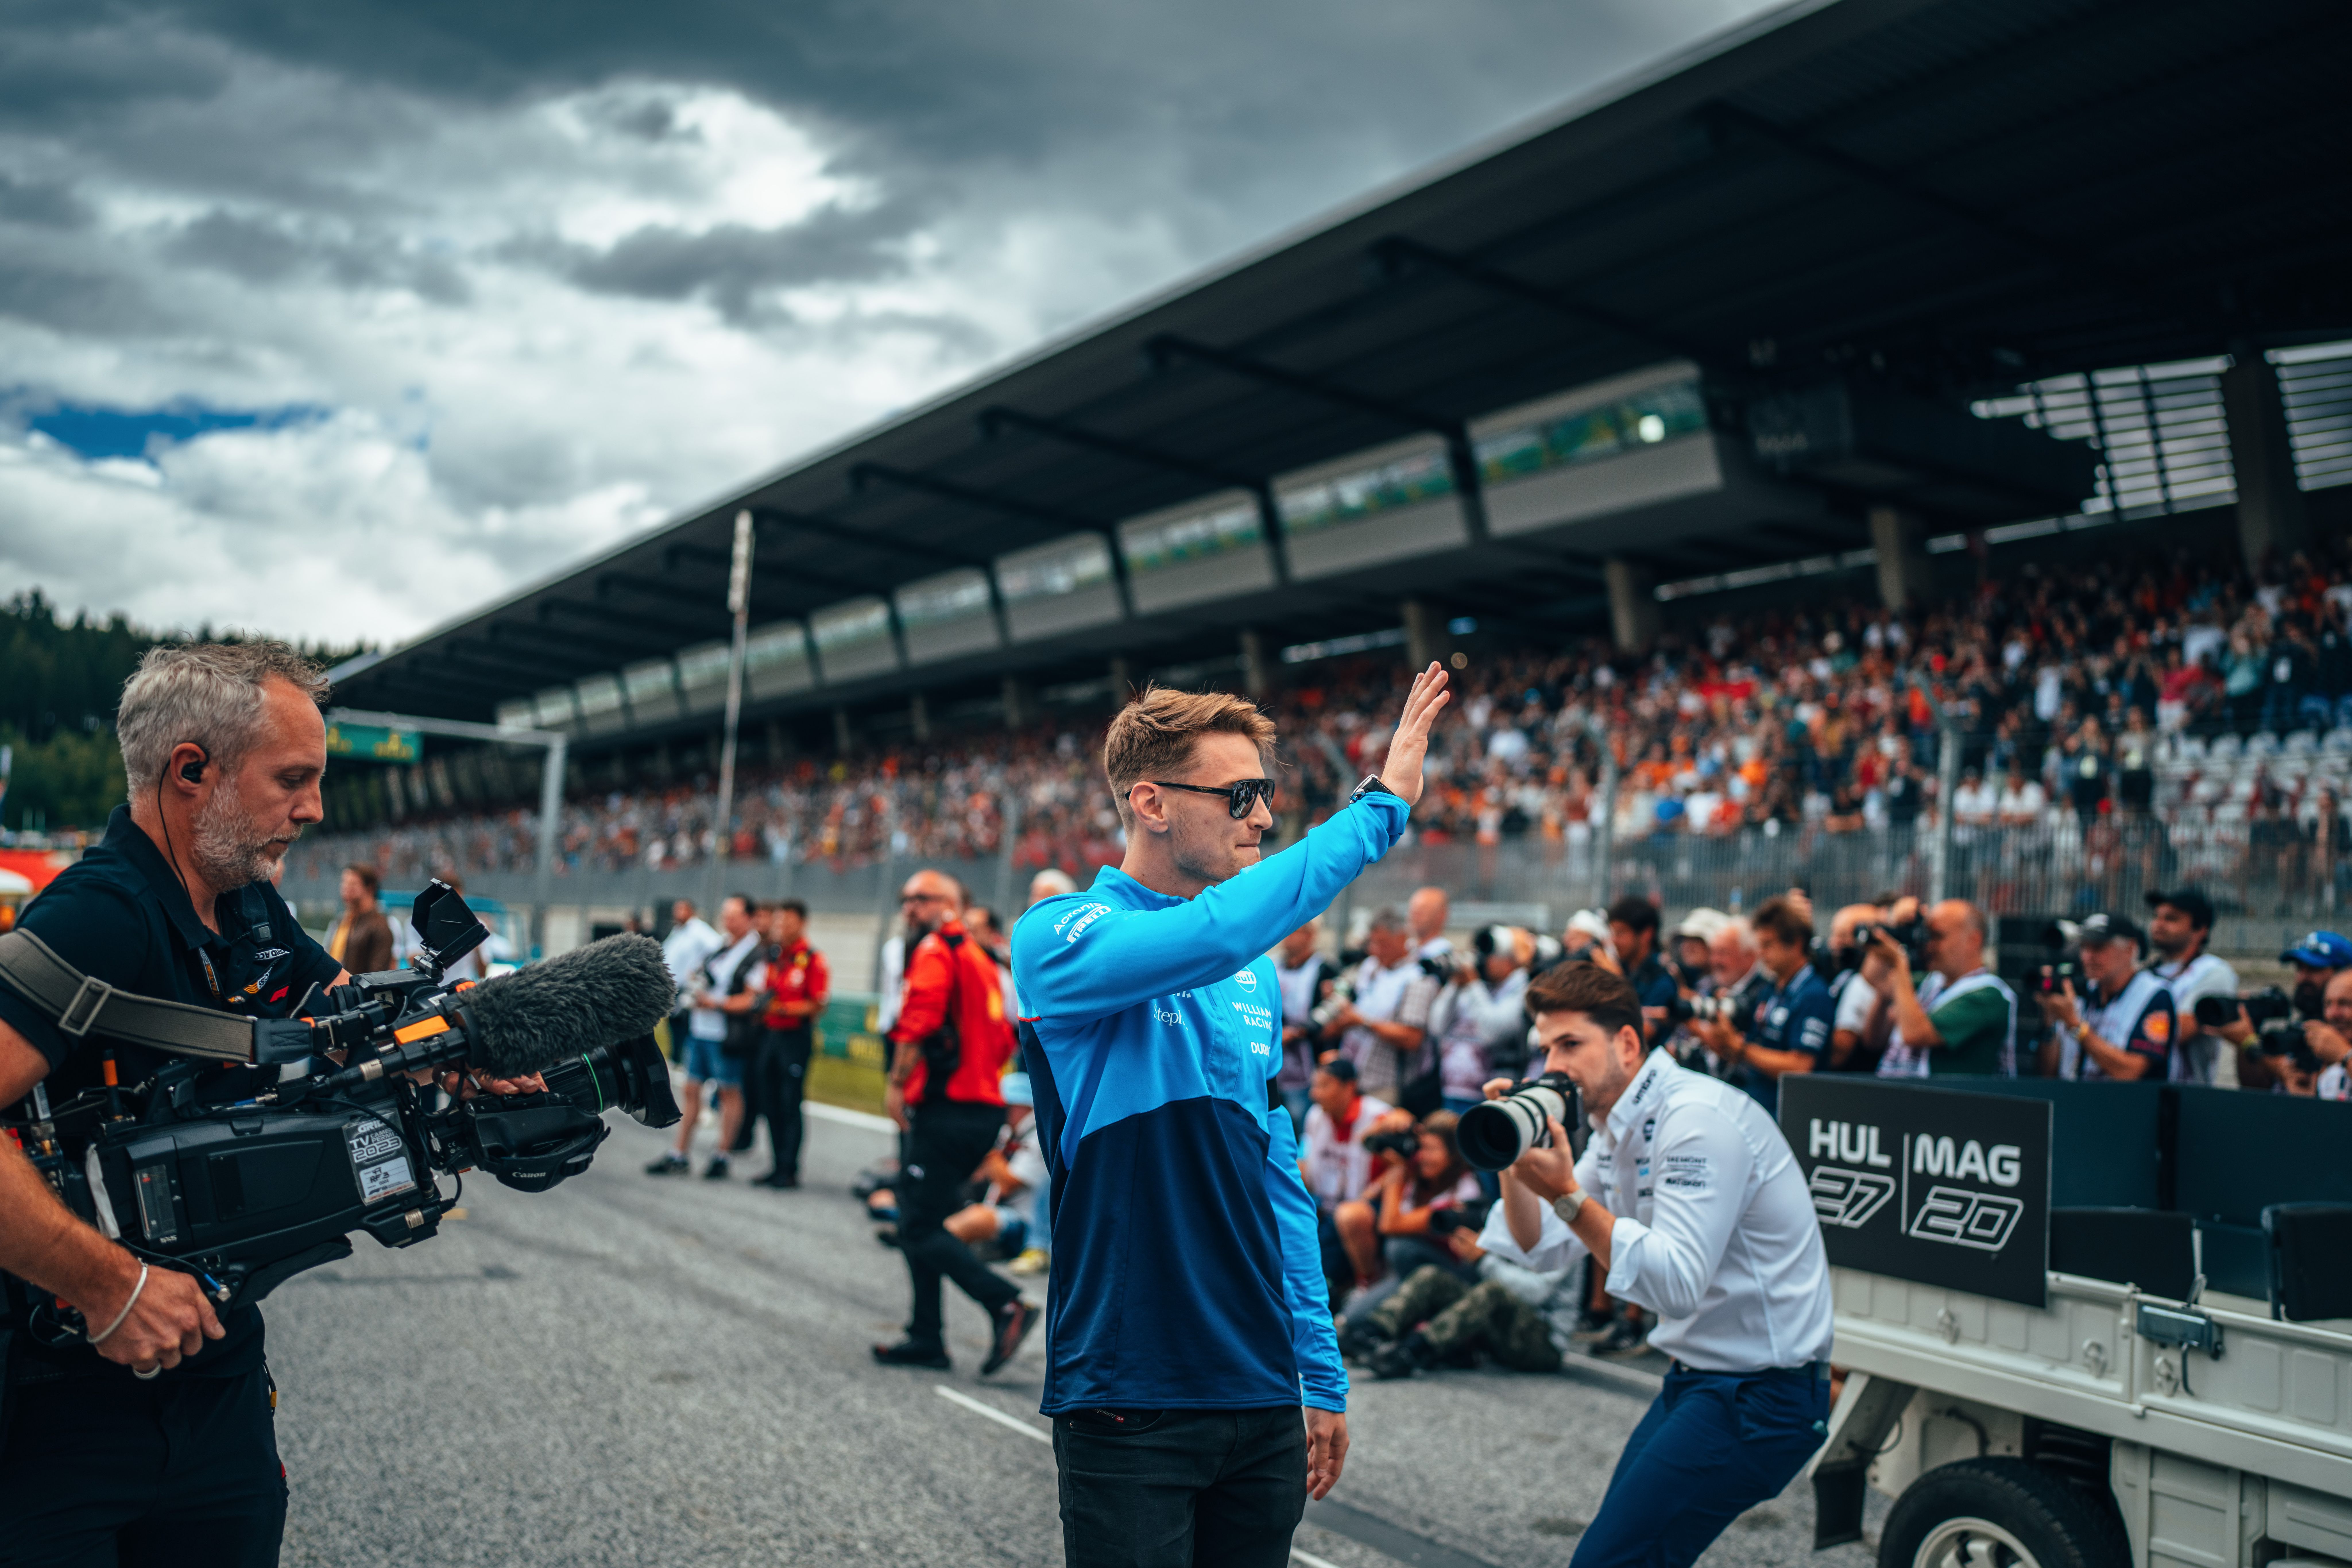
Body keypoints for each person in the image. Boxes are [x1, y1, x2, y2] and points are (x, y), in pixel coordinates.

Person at [0, 643, 535, 1565]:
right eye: (293, 778)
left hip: (218, 1386)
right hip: (56, 1406)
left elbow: (354, 1031)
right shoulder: (98, 913)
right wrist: (109, 1285)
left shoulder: (250, 909)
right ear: (192, 772)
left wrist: (459, 1064)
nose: (315, 809)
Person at [1011, 666, 1451, 1567]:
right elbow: (1212, 932)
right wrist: (1377, 808)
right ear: (1151, 801)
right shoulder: (1061, 933)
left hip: (1257, 1387)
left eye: (1269, 795)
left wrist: (1318, 1370)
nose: (1262, 816)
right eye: (1241, 794)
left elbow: (1276, 1180)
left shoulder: (1252, 972)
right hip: (1133, 1384)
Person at [1477, 961, 1834, 1568]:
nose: (1553, 1067)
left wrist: (1566, 1193)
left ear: (1626, 1042)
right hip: (1700, 1378)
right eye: (1545, 1049)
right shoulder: (1614, 1125)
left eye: (1571, 1045)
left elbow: (1675, 1286)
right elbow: (1538, 1248)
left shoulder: (1693, 1120)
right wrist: (1512, 1159)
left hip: (1762, 1395)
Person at [871, 868, 1035, 1375]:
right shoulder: (985, 961)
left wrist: (898, 1082)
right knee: (927, 1218)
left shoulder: (937, 950)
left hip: (948, 1109)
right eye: (905, 899)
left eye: (919, 899)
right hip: (978, 1108)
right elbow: (1007, 1035)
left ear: (949, 903)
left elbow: (917, 1019)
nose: (909, 909)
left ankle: (1005, 1302)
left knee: (915, 1226)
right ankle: (926, 1336)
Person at [645, 893, 762, 1179]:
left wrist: (717, 1003)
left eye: (734, 915)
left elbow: (754, 999)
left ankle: (722, 1154)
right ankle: (679, 1153)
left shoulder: (756, 952)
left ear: (749, 918)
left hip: (727, 1034)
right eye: (726, 914)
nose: (728, 920)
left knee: (728, 1091)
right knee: (691, 1090)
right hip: (700, 1029)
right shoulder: (721, 945)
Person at [1697, 896, 1834, 1114]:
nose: (1761, 953)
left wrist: (1740, 1048)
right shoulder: (1770, 990)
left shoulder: (1813, 994)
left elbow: (1800, 1067)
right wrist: (1722, 1036)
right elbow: (1745, 1048)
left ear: (1797, 943)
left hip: (1790, 1114)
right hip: (1755, 1103)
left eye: (1769, 944)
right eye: (1760, 945)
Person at [1864, 898, 2018, 1078]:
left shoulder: (1989, 995)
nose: (1929, 945)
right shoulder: (1932, 982)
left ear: (1973, 941)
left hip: (1950, 1102)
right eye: (1928, 936)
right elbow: (1875, 977)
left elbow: (1915, 1034)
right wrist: (1891, 931)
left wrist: (1899, 962)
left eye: (1938, 936)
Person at [1319, 905, 1438, 1106]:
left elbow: (1412, 1038)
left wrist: (1362, 1021)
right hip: (1352, 1080)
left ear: (1401, 938)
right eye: (1373, 942)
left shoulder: (1418, 976)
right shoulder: (1369, 967)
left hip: (1386, 1086)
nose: (1375, 950)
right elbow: (1341, 1010)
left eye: (1382, 943)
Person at [2037, 913, 2176, 1081]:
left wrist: (2076, 1027)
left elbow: (2131, 1072)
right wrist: (2050, 1021)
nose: (2088, 957)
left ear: (2130, 949)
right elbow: (2047, 1074)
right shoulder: (2081, 990)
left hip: (2129, 1104)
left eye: (2099, 948)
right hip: (2077, 1101)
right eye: (2084, 947)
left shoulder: (2155, 995)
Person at [747, 898, 827, 1189]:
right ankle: (776, 1164)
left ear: (802, 923)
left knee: (790, 1103)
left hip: (795, 1038)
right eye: (779, 921)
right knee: (769, 1103)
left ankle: (789, 1169)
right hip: (770, 1037)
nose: (782, 927)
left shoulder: (812, 958)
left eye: (788, 921)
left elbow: (818, 1004)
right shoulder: (775, 956)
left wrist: (781, 1009)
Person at [2142, 888, 2239, 1087]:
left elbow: (2178, 1032)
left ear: (2200, 930)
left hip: (2185, 1097)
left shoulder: (2213, 971)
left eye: (2171, 919)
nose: (2158, 925)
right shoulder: (2147, 971)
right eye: (2156, 917)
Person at [1272, 920, 1329, 1132]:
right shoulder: (1273, 966)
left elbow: (1329, 1012)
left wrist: (1298, 1032)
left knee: (1303, 1125)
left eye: (1295, 930)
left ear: (1310, 935)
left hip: (1308, 1062)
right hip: (1276, 1061)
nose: (1288, 935)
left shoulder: (1324, 969)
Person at [1605, 896, 1678, 1045]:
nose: (1614, 941)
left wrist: (1615, 981)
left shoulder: (1663, 976)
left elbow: (1644, 1033)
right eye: (1613, 933)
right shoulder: (1624, 967)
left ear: (1647, 934)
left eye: (1621, 933)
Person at [659, 897, 723, 1056]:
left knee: (685, 1029)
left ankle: (684, 1061)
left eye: (682, 909)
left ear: (691, 911)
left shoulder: (698, 929)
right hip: (672, 988)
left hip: (687, 987)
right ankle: (677, 1060)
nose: (677, 913)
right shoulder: (678, 930)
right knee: (673, 1027)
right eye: (676, 910)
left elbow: (717, 947)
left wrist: (700, 968)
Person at [1823, 902, 1882, 1070]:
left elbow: (1840, 1053)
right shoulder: (1841, 975)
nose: (1834, 943)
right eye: (1833, 934)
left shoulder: (1865, 984)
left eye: (1843, 936)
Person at [324, 862, 394, 974]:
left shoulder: (380, 927)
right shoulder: (342, 921)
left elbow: (377, 976)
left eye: (353, 885)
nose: (346, 890)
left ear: (370, 888)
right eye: (344, 884)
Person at [1406, 885, 1452, 963]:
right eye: (1413, 911)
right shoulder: (1406, 949)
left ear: (1441, 916)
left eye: (1421, 912)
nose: (1414, 917)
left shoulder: (1443, 955)